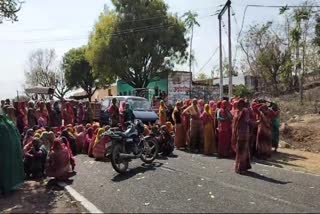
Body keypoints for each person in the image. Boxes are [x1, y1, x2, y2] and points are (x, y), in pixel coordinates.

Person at [232, 99, 251, 174]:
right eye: (238, 104)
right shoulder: (237, 111)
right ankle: (240, 168)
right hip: (239, 133)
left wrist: (255, 123)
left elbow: (247, 121)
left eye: (240, 104)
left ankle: (242, 167)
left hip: (244, 133)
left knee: (243, 150)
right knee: (241, 150)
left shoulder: (244, 111)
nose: (238, 105)